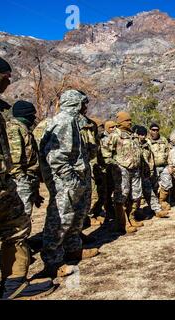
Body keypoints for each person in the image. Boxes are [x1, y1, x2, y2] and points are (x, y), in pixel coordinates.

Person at [0, 57, 55, 299]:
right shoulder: (17, 129)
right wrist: (19, 183)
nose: (9, 80)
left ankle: (13, 284)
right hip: (10, 183)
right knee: (16, 227)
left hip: (9, 183)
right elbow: (16, 161)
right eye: (5, 75)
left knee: (17, 227)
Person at [38, 89, 99, 279]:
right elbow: (55, 156)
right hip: (66, 181)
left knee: (76, 215)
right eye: (83, 103)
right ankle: (52, 262)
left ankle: (73, 249)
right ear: (76, 104)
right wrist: (70, 179)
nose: (85, 107)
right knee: (60, 219)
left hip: (76, 178)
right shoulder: (64, 121)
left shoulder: (73, 121)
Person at [6, 101, 44, 217]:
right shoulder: (14, 129)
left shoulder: (25, 130)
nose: (34, 117)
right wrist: (23, 182)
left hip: (29, 179)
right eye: (31, 115)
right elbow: (14, 161)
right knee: (22, 217)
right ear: (25, 115)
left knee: (26, 215)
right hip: (21, 180)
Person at [107, 112, 142, 233]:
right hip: (122, 169)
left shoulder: (132, 134)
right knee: (122, 195)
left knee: (136, 194)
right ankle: (122, 223)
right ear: (120, 122)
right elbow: (106, 152)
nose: (130, 122)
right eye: (127, 120)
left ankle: (132, 217)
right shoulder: (115, 135)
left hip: (135, 169)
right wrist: (114, 165)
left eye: (130, 120)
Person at [134, 125, 169, 218]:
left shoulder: (146, 145)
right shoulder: (132, 144)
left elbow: (150, 159)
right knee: (135, 195)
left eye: (144, 135)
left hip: (145, 173)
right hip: (133, 174)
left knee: (150, 192)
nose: (142, 136)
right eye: (140, 134)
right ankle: (134, 213)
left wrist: (151, 171)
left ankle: (157, 210)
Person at [148, 122, 172, 211]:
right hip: (152, 168)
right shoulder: (147, 141)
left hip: (164, 166)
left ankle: (162, 201)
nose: (155, 132)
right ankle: (154, 204)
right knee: (154, 186)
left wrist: (170, 165)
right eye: (153, 130)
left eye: (157, 130)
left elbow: (169, 153)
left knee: (167, 184)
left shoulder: (164, 140)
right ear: (150, 130)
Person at [101, 120, 117, 221]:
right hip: (106, 167)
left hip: (114, 166)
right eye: (111, 127)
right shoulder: (103, 138)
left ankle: (113, 211)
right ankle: (108, 211)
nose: (113, 129)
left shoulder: (116, 136)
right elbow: (105, 154)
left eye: (114, 127)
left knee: (114, 189)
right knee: (106, 191)